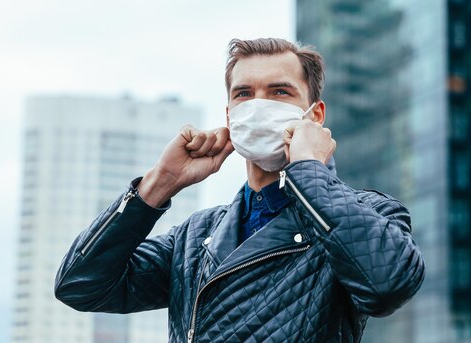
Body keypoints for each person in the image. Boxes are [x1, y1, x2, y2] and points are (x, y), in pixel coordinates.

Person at [55, 38, 424, 343]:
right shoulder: (195, 237)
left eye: (279, 92)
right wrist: (159, 183)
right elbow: (80, 284)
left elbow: (388, 283)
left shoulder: (370, 212)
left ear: (315, 115)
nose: (259, 105)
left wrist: (309, 169)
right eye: (245, 94)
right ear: (230, 116)